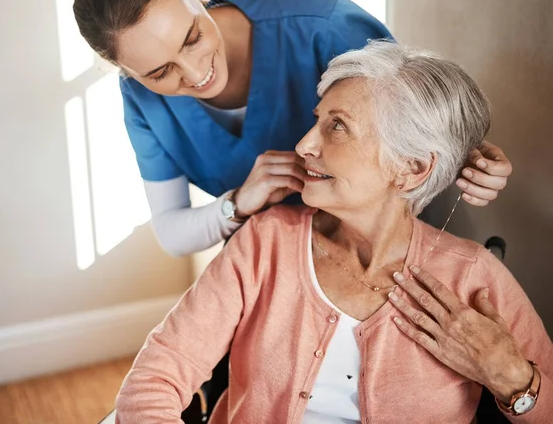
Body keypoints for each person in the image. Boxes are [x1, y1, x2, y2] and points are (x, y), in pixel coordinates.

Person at [113, 41, 552, 424]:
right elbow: (154, 379)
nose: (304, 144)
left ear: (411, 169)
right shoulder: (265, 242)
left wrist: (512, 377)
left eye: (337, 126)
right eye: (318, 119)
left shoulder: (473, 275)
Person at [73, 0, 513, 258]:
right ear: (127, 72)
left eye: (191, 38)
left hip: (384, 253)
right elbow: (171, 231)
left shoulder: (324, 28)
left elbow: (416, 118)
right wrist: (239, 202)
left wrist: (463, 155)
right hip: (270, 267)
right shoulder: (141, 101)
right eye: (159, 72)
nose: (194, 74)